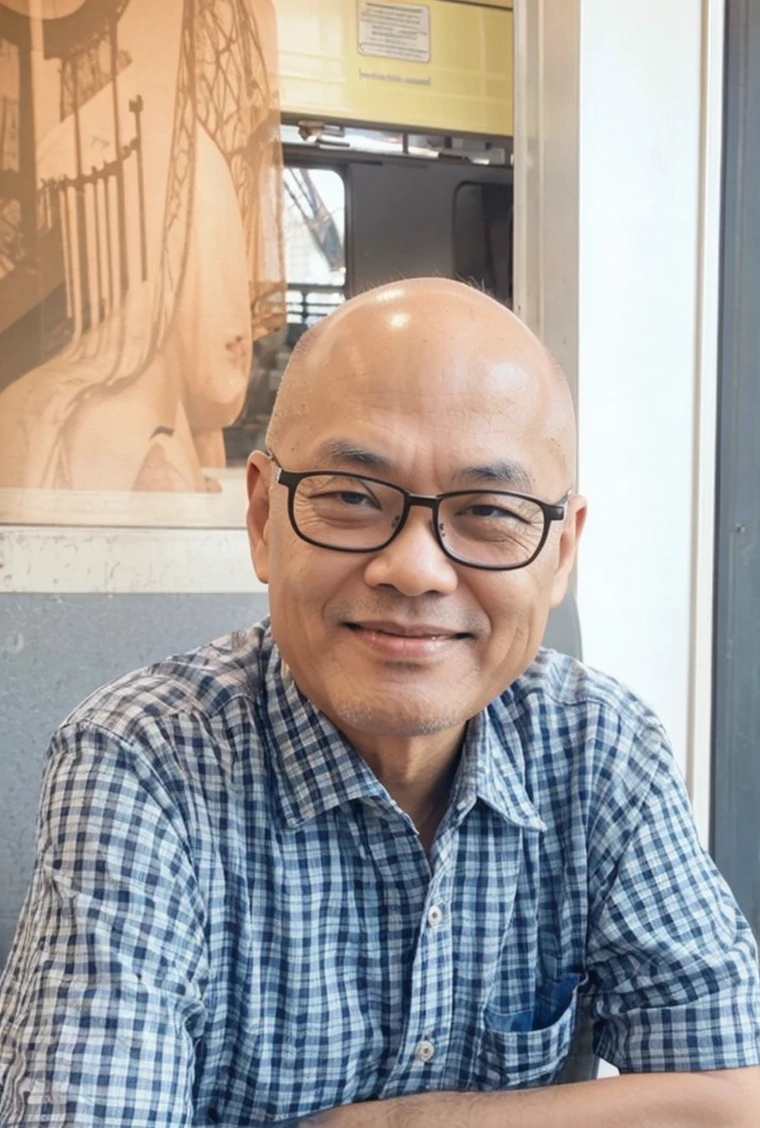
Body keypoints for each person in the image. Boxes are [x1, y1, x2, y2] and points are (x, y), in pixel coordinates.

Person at [0, 279, 758, 1127]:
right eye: (353, 497)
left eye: (489, 512)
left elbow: (731, 1099)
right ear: (261, 516)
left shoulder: (601, 749)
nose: (416, 568)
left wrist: (406, 1122)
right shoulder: (144, 764)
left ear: (560, 552)